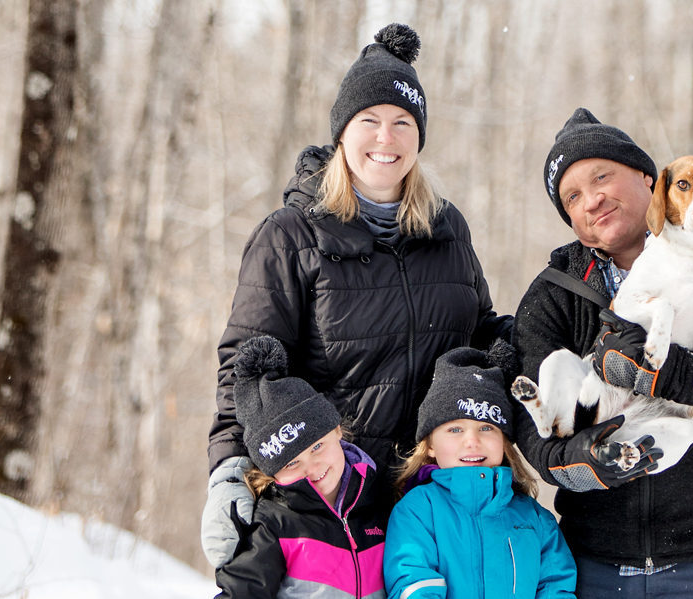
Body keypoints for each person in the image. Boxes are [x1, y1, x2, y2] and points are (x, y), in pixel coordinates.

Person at [202, 23, 512, 568]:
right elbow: (248, 368)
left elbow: (478, 333)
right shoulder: (291, 235)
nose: (385, 139)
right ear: (343, 133)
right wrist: (229, 470)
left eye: (402, 123)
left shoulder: (446, 228)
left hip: (432, 500)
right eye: (369, 121)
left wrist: (542, 341)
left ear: (419, 136)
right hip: (328, 501)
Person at [511, 108, 693, 598]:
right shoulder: (553, 294)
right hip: (595, 561)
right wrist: (577, 461)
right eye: (572, 196)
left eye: (602, 177)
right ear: (570, 217)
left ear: (648, 179)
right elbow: (530, 423)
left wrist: (664, 373)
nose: (592, 199)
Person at [384, 345, 577, 599]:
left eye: (486, 428)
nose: (472, 441)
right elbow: (413, 582)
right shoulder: (417, 511)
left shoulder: (536, 519)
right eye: (455, 430)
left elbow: (556, 586)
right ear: (429, 444)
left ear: (505, 441)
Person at [214, 336, 389, 599]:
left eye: (317, 447)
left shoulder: (377, 505)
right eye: (292, 462)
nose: (312, 466)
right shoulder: (274, 525)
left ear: (337, 430)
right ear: (271, 473)